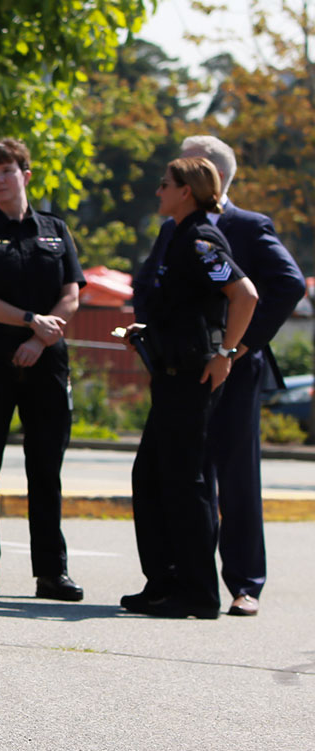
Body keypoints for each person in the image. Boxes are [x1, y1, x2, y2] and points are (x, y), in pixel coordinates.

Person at [132, 136, 305, 617]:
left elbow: (283, 285)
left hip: (229, 366)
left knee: (233, 475)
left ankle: (242, 583)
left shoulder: (242, 226)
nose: (167, 183)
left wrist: (237, 345)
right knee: (179, 476)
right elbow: (149, 283)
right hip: (184, 367)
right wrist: (148, 332)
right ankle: (176, 579)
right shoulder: (176, 228)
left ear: (205, 177)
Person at [0, 138, 86, 601]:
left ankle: (52, 573)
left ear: (26, 175)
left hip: (45, 359)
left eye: (7, 172)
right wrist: (30, 321)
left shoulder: (55, 229)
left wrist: (39, 338)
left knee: (45, 467)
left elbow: (72, 293)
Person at [122, 157, 258, 619]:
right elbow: (181, 307)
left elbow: (246, 294)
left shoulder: (201, 241)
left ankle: (197, 592)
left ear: (186, 191)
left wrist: (227, 354)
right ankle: (163, 582)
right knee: (151, 476)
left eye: (165, 185)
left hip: (191, 378)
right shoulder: (178, 236)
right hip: (170, 373)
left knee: (185, 482)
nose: (158, 191)